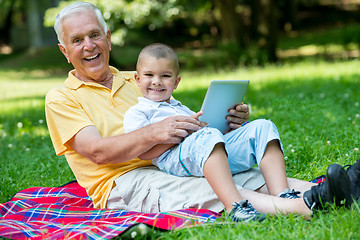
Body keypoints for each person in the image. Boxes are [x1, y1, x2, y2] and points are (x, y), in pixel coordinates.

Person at [45, 1, 359, 223]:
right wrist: (156, 132)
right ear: (64, 51)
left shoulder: (138, 78)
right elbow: (97, 152)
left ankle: (347, 184)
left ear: (108, 37)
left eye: (94, 35)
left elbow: (181, 122)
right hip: (126, 181)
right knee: (213, 188)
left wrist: (224, 121)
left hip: (177, 160)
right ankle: (312, 206)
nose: (89, 45)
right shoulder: (61, 98)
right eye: (77, 40)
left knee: (246, 173)